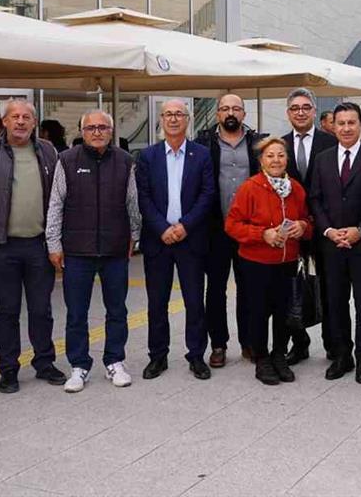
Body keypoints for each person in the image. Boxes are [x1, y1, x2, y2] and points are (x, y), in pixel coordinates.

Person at [0, 98, 67, 393]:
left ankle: (44, 362)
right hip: (2, 247)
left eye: (26, 117)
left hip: (39, 246)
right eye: (15, 117)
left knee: (41, 310)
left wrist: (57, 242)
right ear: (5, 122)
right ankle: (8, 368)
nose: (21, 122)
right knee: (7, 311)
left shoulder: (48, 151)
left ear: (34, 123)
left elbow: (60, 199)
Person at [46, 110, 140, 392]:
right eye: (91, 128)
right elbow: (56, 204)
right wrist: (54, 244)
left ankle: (115, 361)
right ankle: (79, 366)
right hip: (77, 251)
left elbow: (132, 202)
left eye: (102, 127)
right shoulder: (67, 160)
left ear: (111, 132)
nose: (97, 132)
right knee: (77, 312)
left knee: (117, 310)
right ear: (82, 131)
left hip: (114, 250)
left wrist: (134, 237)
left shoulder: (125, 160)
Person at [308, 102, 361, 384]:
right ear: (333, 126)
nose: (346, 128)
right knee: (335, 303)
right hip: (331, 246)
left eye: (351, 122)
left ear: (360, 124)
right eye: (341, 123)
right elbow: (315, 199)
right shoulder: (322, 159)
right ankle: (342, 355)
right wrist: (328, 231)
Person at [135, 99, 216, 381]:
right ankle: (157, 356)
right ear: (161, 119)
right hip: (158, 241)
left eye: (179, 114)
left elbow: (207, 194)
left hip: (190, 239)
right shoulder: (148, 156)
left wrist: (185, 226)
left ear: (187, 119)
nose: (173, 119)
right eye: (168, 114)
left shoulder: (201, 154)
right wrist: (162, 228)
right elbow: (143, 196)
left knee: (194, 302)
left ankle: (196, 356)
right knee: (157, 303)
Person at [225, 137, 312, 385]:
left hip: (287, 261)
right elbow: (232, 224)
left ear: (287, 159)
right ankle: (261, 358)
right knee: (259, 311)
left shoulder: (296, 189)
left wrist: (302, 226)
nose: (276, 160)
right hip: (256, 262)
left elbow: (308, 221)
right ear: (261, 160)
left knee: (284, 312)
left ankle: (279, 354)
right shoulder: (250, 187)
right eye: (270, 156)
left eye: (280, 155)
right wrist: (262, 234)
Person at [194, 94, 264, 367]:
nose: (230, 113)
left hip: (249, 230)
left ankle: (249, 342)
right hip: (216, 229)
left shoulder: (257, 143)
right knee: (215, 290)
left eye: (236, 108)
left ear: (244, 114)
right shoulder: (203, 144)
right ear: (217, 115)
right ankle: (218, 344)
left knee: (249, 289)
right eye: (225, 109)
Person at [280, 88, 337, 365]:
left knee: (329, 287)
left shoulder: (330, 142)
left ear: (314, 111)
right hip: (291, 229)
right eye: (295, 108)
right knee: (291, 287)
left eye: (305, 107)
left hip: (325, 227)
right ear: (288, 113)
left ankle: (332, 343)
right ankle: (299, 342)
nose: (300, 112)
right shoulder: (279, 146)